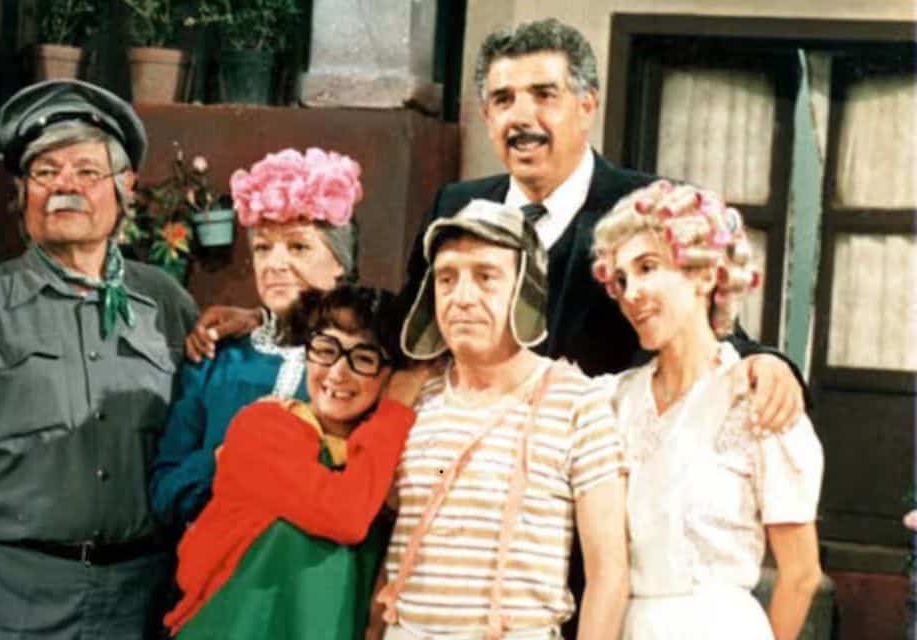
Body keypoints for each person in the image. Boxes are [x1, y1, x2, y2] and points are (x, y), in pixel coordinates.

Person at [183, 18, 805, 431]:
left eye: (544, 95)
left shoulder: (641, 207)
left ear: (586, 105)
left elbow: (705, 322)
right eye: (504, 100)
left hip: (594, 483)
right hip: (472, 470)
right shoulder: (456, 204)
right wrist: (274, 318)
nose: (521, 117)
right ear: (485, 115)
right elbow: (399, 327)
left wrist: (768, 362)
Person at [0, 79, 198, 640]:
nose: (64, 187)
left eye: (86, 171)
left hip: (143, 600)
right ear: (22, 193)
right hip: (14, 599)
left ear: (124, 186)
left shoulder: (166, 304)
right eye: (45, 172)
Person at [375, 199, 628, 640]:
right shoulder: (416, 400)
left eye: (486, 276)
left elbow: (609, 573)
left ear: (525, 289)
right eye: (447, 278)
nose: (462, 297)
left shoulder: (577, 402)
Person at [591, 181, 823, 640]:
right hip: (631, 625)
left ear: (705, 275)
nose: (631, 292)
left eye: (648, 267)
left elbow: (801, 575)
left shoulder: (757, 397)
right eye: (621, 280)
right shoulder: (613, 400)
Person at [165, 285, 420, 639]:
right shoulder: (262, 427)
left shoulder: (380, 453)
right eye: (325, 350)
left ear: (391, 375)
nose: (337, 373)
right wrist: (396, 408)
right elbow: (343, 515)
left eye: (364, 358)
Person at [149, 147, 363, 529]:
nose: (275, 264)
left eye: (298, 246)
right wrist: (223, 458)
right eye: (263, 247)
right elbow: (165, 494)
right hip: (215, 560)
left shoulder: (365, 364)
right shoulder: (215, 359)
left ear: (340, 265)